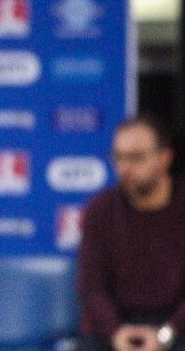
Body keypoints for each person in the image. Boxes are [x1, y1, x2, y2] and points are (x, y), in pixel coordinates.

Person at [78, 116, 185, 351]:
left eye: (136, 157)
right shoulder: (100, 210)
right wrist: (115, 333)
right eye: (119, 157)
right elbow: (92, 288)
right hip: (117, 326)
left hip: (177, 327)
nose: (125, 167)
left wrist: (167, 334)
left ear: (165, 158)